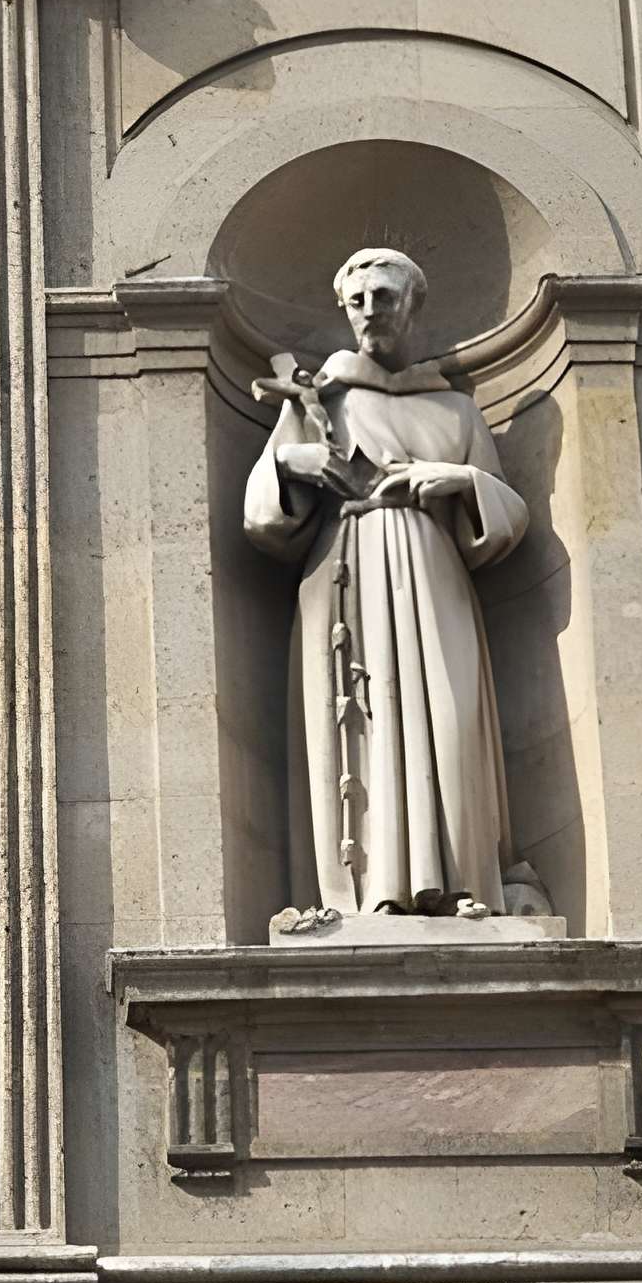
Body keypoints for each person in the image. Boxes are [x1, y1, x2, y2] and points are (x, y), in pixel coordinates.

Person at [243, 249, 527, 917]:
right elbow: (260, 515)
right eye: (358, 299)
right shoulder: (319, 398)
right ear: (345, 309)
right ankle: (373, 893)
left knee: (449, 718)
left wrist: (460, 480)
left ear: (412, 305)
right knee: (363, 719)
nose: (371, 309)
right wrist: (292, 462)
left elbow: (510, 517)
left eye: (385, 296)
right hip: (347, 572)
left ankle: (461, 882)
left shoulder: (455, 411)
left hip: (434, 575)